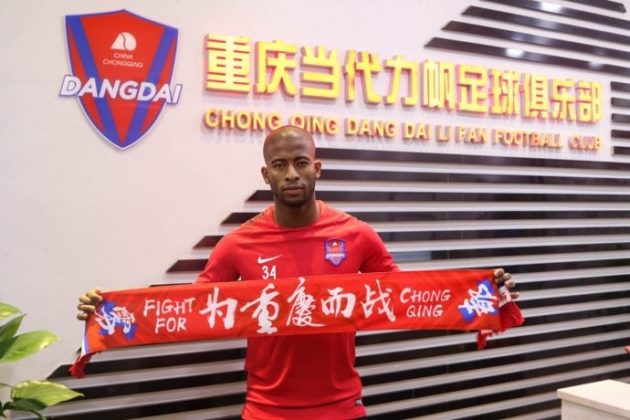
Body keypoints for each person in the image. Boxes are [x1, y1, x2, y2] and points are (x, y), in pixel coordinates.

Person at [78, 125, 516, 419]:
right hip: (266, 408)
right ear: (265, 173)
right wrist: (108, 311)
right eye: (280, 165)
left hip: (341, 406)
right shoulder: (238, 244)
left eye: (301, 163)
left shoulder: (356, 234)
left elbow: (409, 296)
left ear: (316, 168)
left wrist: (483, 292)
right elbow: (189, 308)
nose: (291, 174)